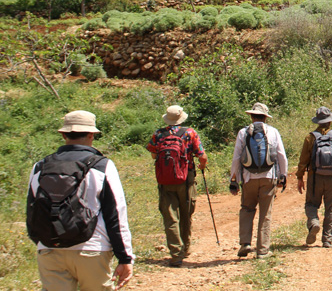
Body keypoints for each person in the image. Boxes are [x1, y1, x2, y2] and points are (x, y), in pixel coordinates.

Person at [27, 110, 134, 290]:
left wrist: (43, 241)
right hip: (92, 249)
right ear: (91, 134)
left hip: (50, 249)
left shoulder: (40, 166)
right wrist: (125, 257)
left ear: (63, 134)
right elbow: (116, 214)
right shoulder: (102, 166)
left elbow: (31, 212)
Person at [146, 105, 208, 267]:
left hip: (165, 181)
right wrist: (202, 166)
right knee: (186, 213)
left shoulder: (158, 134)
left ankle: (175, 254)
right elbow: (202, 156)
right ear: (181, 118)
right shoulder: (189, 133)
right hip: (186, 178)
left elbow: (153, 154)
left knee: (170, 216)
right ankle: (185, 247)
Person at [230, 103, 288, 259]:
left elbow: (236, 157)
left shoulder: (243, 133)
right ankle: (262, 250)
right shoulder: (273, 132)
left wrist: (233, 179)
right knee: (265, 213)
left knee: (247, 208)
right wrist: (283, 175)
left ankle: (245, 243)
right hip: (268, 178)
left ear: (251, 116)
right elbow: (281, 155)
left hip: (248, 178)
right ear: (265, 117)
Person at [296, 107, 332, 248]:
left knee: (311, 204)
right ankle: (327, 240)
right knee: (330, 207)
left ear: (318, 121)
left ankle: (314, 222)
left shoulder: (310, 138)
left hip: (315, 178)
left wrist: (299, 177)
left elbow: (303, 161)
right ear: (329, 121)